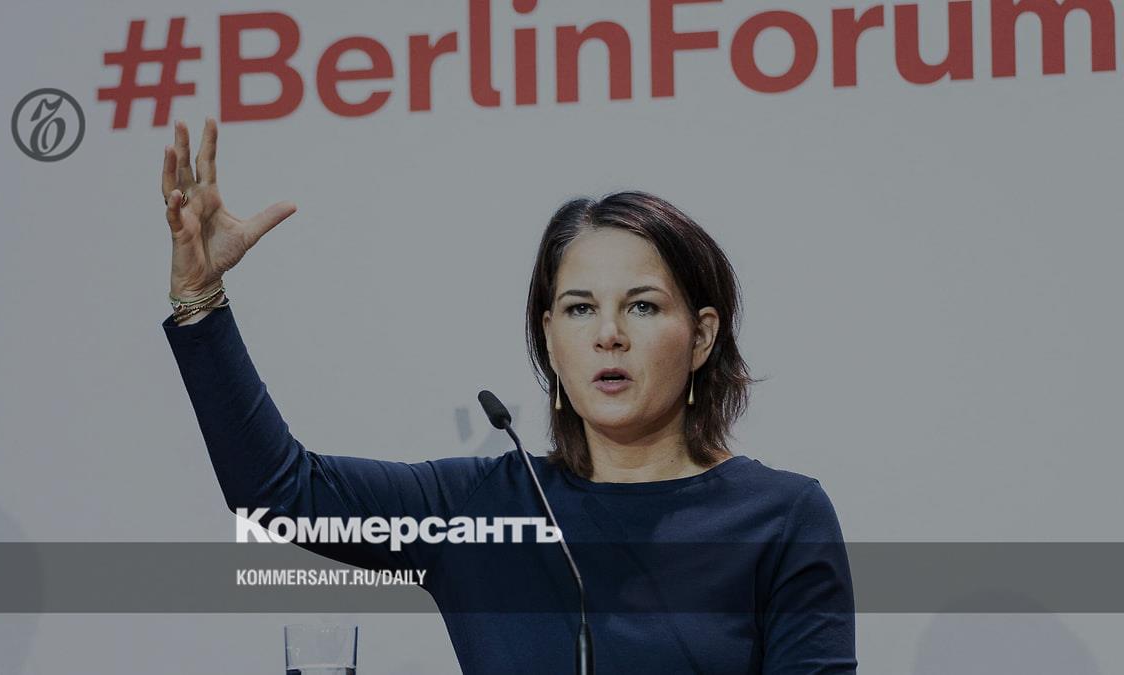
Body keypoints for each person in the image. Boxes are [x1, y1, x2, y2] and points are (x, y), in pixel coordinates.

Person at [161, 117, 858, 674]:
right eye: (580, 309)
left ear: (701, 336)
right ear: (550, 338)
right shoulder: (481, 510)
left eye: (642, 306)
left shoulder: (784, 517)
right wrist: (201, 300)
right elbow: (277, 490)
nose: (608, 335)